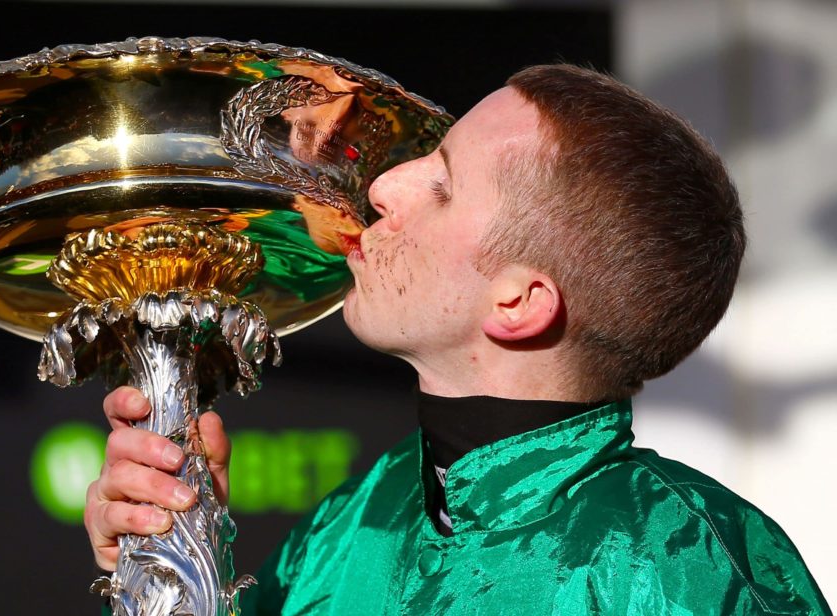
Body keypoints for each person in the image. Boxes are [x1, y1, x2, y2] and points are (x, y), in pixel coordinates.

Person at [84, 65, 831, 614]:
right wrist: (169, 566)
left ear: (520, 302)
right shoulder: (352, 524)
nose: (382, 186)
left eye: (441, 185)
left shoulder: (683, 568)